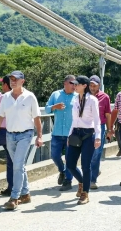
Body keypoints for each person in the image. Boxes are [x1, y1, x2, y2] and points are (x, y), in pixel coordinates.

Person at [0, 70, 43, 211]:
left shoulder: (30, 97)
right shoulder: (6, 97)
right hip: (10, 135)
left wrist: (39, 136)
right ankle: (25, 194)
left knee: (17, 165)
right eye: (11, 79)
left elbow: (37, 118)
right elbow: (0, 116)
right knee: (18, 165)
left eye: (15, 79)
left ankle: (14, 198)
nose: (13, 81)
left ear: (22, 81)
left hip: (25, 134)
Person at [64, 76, 101, 206]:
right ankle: (81, 181)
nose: (75, 86)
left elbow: (97, 120)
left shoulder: (92, 100)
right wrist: (69, 135)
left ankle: (85, 192)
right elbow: (73, 120)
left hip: (88, 134)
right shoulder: (75, 99)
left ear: (84, 85)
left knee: (86, 165)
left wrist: (98, 137)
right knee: (69, 164)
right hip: (75, 132)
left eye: (77, 84)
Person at [45, 75, 77, 191]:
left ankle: (68, 181)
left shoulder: (78, 96)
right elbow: (47, 109)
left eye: (75, 83)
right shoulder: (56, 94)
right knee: (54, 155)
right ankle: (62, 171)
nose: (74, 85)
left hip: (71, 133)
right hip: (57, 132)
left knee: (70, 158)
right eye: (71, 83)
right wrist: (54, 106)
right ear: (65, 83)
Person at [88, 75, 111, 190]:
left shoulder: (104, 97)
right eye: (90, 85)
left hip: (100, 127)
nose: (92, 87)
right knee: (88, 153)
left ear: (99, 85)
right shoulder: (83, 96)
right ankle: (93, 172)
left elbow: (107, 114)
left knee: (96, 153)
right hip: (86, 127)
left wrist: (110, 130)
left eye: (94, 85)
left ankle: (92, 180)